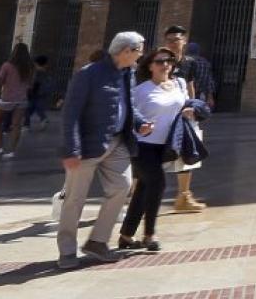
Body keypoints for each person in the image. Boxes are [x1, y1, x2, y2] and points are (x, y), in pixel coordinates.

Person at [56, 31, 147, 269]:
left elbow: (127, 106)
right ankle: (66, 250)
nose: (141, 55)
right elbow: (71, 112)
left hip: (117, 142)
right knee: (75, 199)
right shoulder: (89, 74)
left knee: (122, 186)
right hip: (88, 145)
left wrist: (140, 122)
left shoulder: (129, 73)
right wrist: (71, 148)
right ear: (126, 51)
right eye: (139, 50)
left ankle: (97, 241)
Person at [118, 47, 200, 253]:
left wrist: (194, 109)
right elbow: (127, 113)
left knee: (143, 190)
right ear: (149, 66)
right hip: (142, 146)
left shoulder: (179, 85)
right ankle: (149, 235)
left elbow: (189, 103)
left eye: (168, 61)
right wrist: (140, 125)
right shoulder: (140, 90)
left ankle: (126, 236)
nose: (165, 65)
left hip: (166, 146)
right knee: (157, 183)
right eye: (159, 61)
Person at [159, 26, 215, 213]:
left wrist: (193, 106)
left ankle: (183, 197)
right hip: (162, 114)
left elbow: (190, 86)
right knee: (152, 156)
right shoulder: (159, 60)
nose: (174, 43)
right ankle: (137, 196)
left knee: (187, 152)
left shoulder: (189, 62)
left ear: (184, 41)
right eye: (170, 40)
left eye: (177, 39)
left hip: (184, 114)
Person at [0, 43, 37, 159]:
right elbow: (31, 84)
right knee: (16, 125)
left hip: (7, 98)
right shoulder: (30, 67)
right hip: (22, 99)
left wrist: (1, 82)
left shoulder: (7, 65)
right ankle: (12, 151)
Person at [26, 55, 52, 129]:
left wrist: (29, 91)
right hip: (42, 94)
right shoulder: (47, 73)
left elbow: (34, 83)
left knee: (28, 110)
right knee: (39, 109)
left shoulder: (36, 72)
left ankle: (26, 125)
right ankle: (43, 119)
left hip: (34, 93)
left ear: (36, 63)